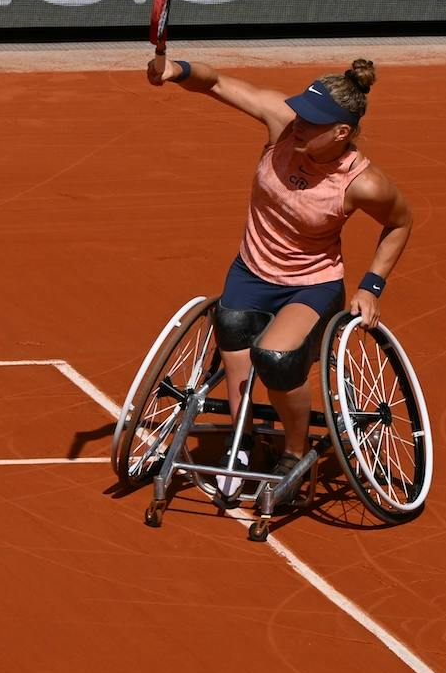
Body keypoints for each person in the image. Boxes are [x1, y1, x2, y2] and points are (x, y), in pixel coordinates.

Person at [143, 59, 415, 460]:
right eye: (301, 113)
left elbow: (400, 222)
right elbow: (215, 83)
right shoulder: (283, 123)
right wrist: (176, 71)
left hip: (311, 285)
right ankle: (242, 441)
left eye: (312, 122)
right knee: (232, 329)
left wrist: (371, 286)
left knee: (276, 359)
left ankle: (294, 450)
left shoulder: (363, 183)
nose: (299, 124)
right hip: (250, 272)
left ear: (341, 133)